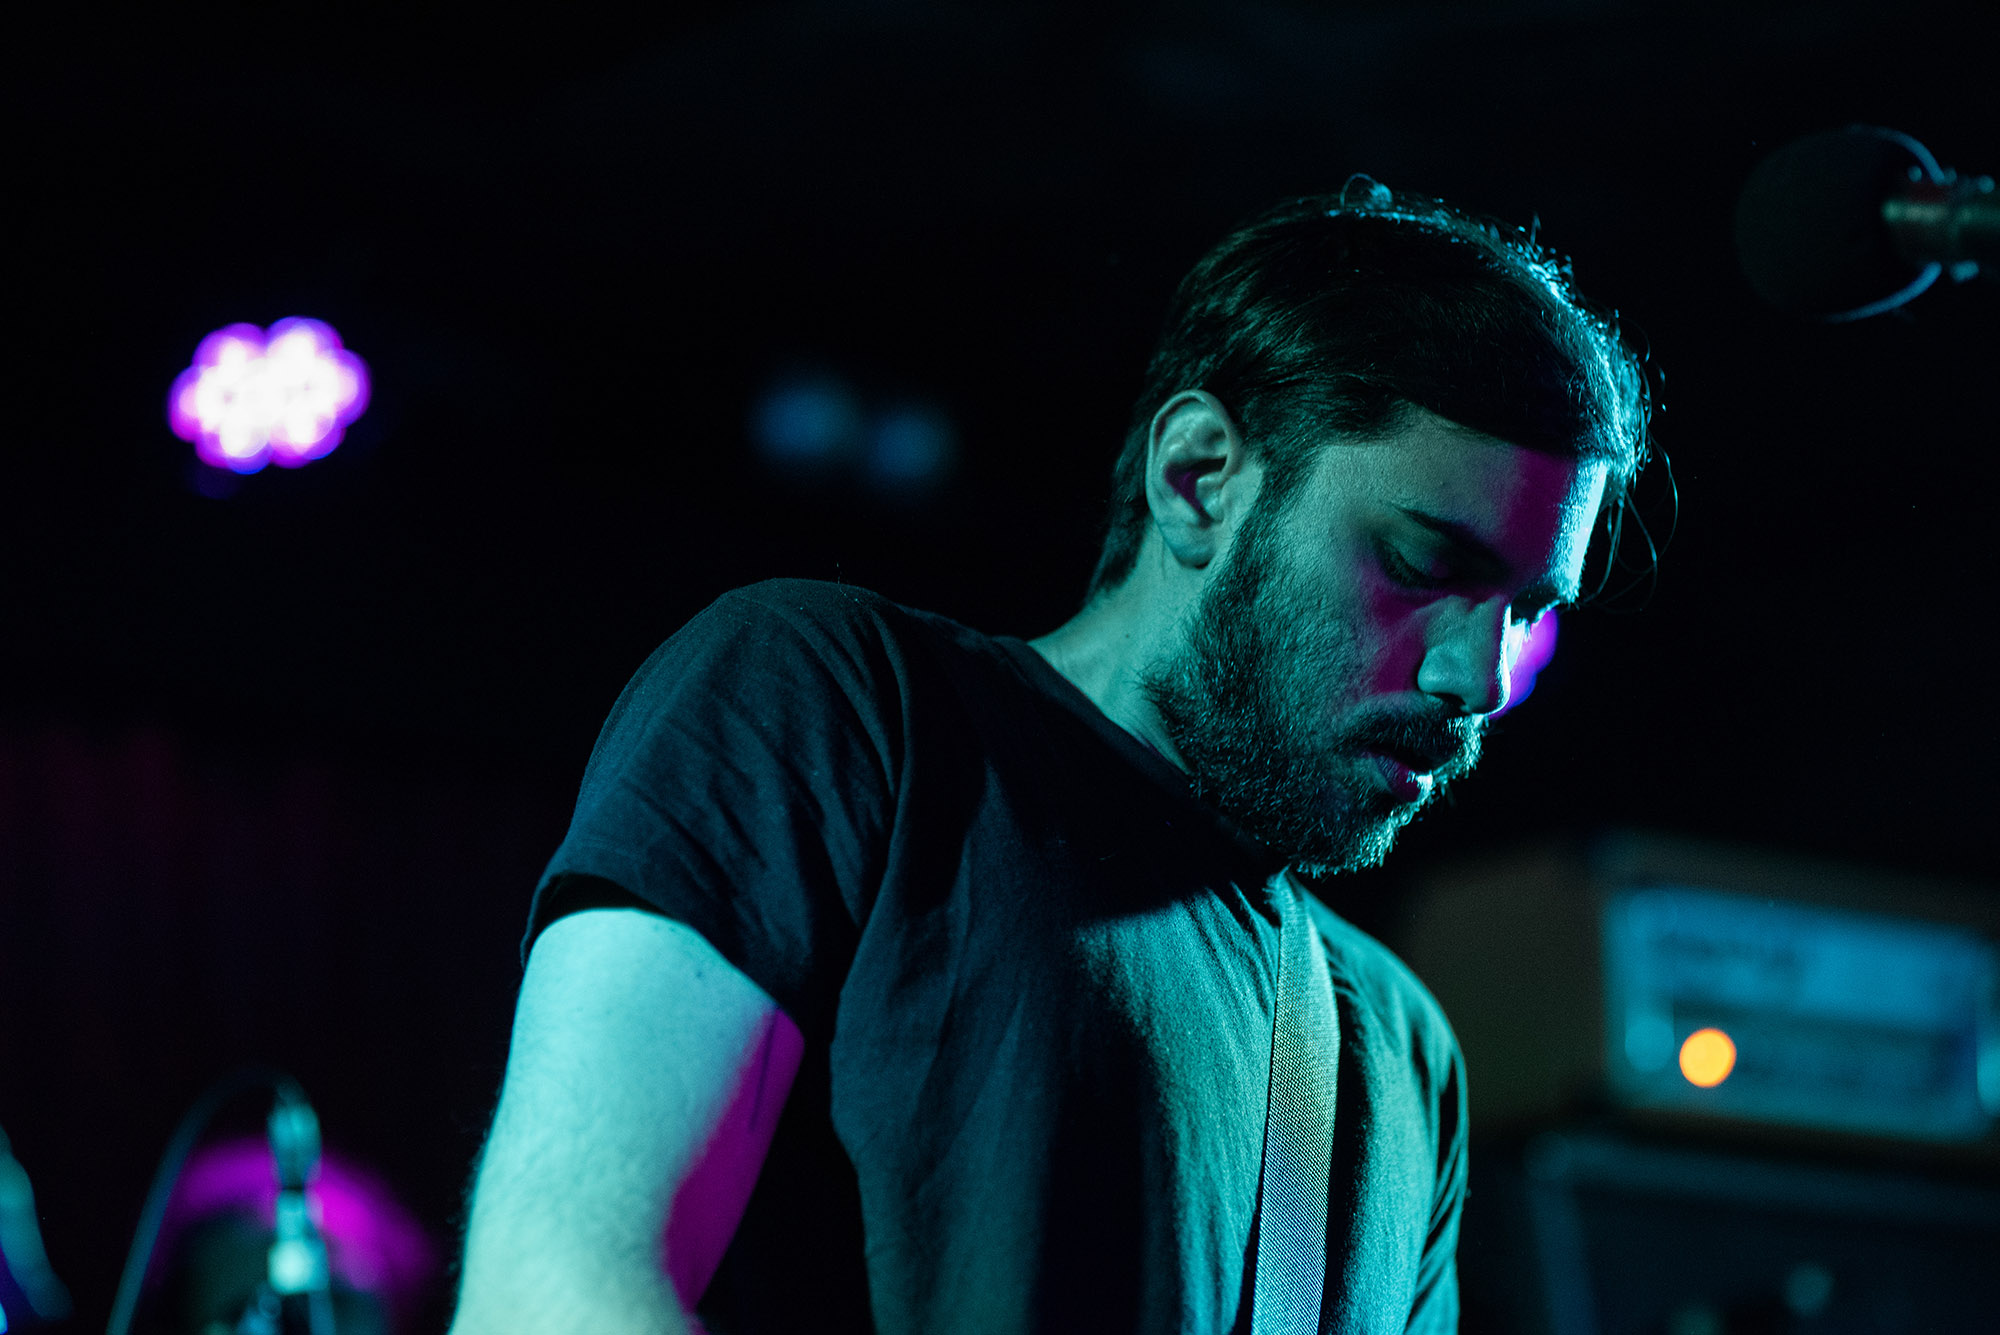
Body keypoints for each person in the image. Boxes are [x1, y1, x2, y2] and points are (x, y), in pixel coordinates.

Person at [449, 177, 1650, 1335]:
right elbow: (548, 1298)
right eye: (1423, 563)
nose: (1479, 679)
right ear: (1198, 479)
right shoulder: (841, 703)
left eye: (1524, 612)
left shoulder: (1396, 1054)